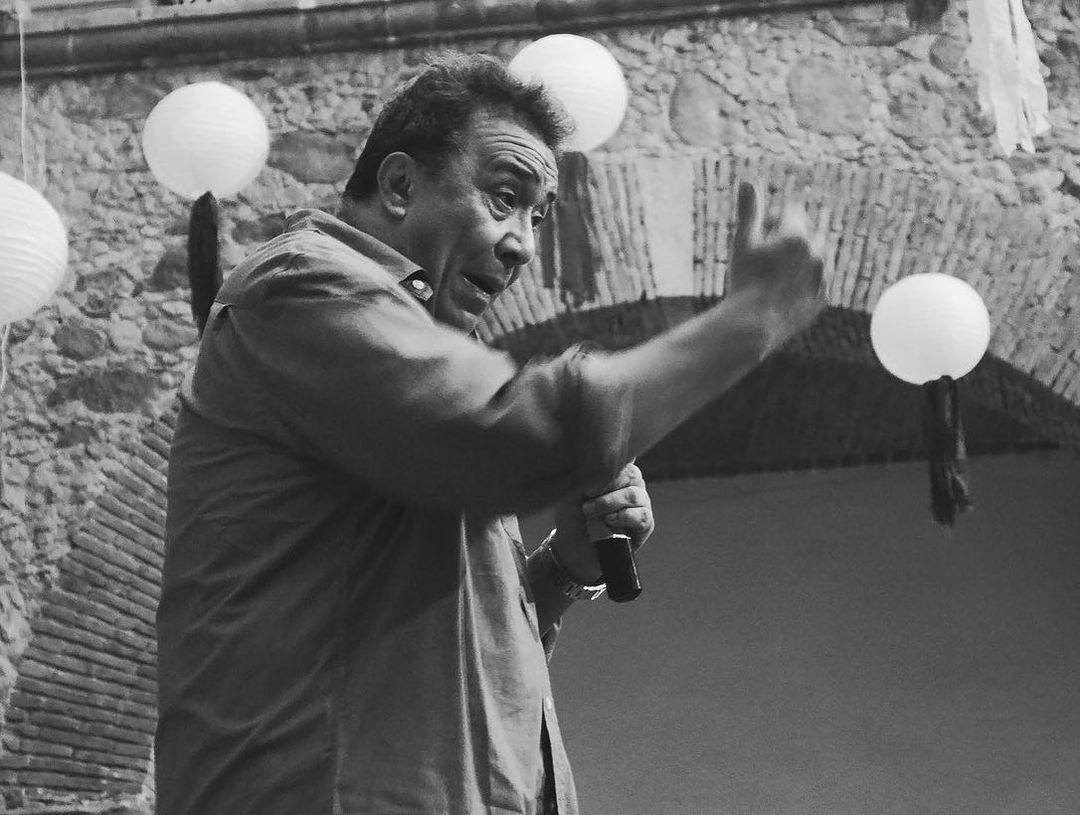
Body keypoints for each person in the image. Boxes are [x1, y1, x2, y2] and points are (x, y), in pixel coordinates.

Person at [155, 52, 826, 815]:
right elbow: (515, 433)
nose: (524, 244)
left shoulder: (425, 366)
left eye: (537, 217)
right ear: (400, 185)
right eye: (505, 198)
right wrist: (749, 322)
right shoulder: (301, 287)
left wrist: (564, 571)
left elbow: (461, 660)